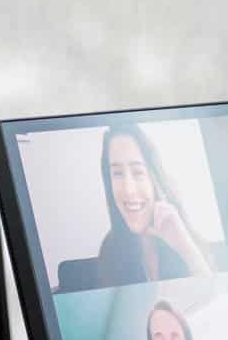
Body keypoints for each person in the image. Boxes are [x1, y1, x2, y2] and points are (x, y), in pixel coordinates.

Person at [70, 123, 207, 289]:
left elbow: (220, 303)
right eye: (117, 174)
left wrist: (185, 248)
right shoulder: (111, 247)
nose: (128, 190)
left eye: (138, 172)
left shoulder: (183, 233)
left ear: (154, 179)